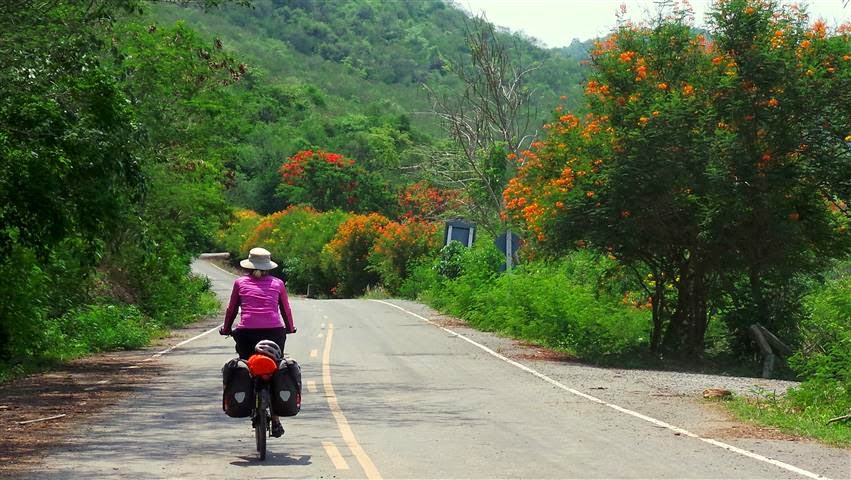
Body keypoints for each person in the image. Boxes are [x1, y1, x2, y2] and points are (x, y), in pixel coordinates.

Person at [220, 247, 295, 437]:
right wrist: (290, 327)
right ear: (268, 266)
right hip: (274, 332)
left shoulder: (240, 283)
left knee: (248, 366)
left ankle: (250, 401)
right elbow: (285, 309)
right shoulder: (278, 283)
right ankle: (276, 419)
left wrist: (226, 329)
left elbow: (231, 309)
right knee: (275, 370)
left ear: (248, 266)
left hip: (246, 333)